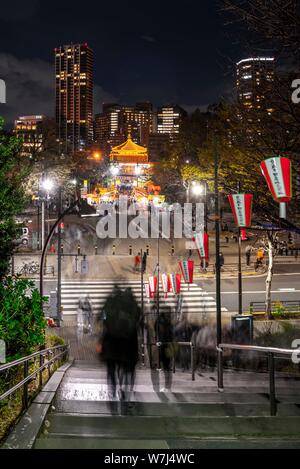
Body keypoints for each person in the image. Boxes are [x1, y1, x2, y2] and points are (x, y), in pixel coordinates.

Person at [97, 286, 141, 401]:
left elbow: (103, 321)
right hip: (128, 345)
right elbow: (138, 323)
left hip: (113, 345)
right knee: (126, 368)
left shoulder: (113, 308)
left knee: (114, 369)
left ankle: (115, 388)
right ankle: (124, 388)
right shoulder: (133, 308)